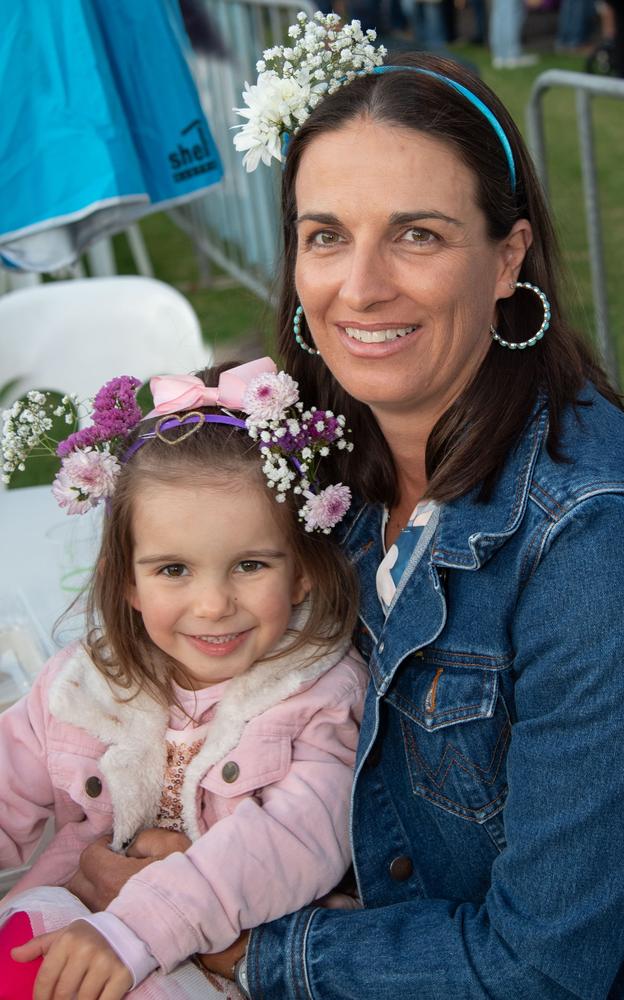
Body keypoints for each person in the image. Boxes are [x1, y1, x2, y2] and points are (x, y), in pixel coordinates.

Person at [49, 14, 624, 997]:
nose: (359, 288)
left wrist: (244, 945)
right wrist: (189, 844)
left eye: (417, 234)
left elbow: (543, 968)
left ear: (506, 260)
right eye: (325, 236)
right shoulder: (312, 452)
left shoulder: (590, 540)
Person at [0, 360, 366, 999]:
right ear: (127, 582)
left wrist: (139, 929)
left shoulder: (318, 696)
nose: (213, 605)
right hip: (83, 927)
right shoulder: (82, 688)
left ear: (303, 572)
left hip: (228, 966)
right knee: (26, 943)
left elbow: (298, 838)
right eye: (173, 570)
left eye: (249, 565)